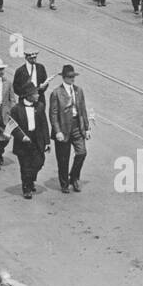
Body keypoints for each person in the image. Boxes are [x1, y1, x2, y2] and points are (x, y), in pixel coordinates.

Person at [48, 64, 90, 193]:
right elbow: (53, 114)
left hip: (77, 126)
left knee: (82, 152)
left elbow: (83, 110)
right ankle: (64, 184)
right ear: (64, 78)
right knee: (63, 158)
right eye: (70, 77)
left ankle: (74, 177)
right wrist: (57, 131)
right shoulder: (56, 93)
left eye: (73, 76)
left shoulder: (78, 90)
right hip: (63, 128)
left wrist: (87, 128)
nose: (73, 79)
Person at [10, 84, 50, 199]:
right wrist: (22, 137)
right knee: (25, 166)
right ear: (28, 96)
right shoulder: (16, 109)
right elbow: (12, 127)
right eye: (35, 94)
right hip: (23, 142)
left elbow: (44, 125)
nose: (38, 95)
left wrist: (47, 142)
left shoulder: (40, 106)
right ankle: (26, 188)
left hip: (37, 140)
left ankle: (31, 179)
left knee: (39, 161)